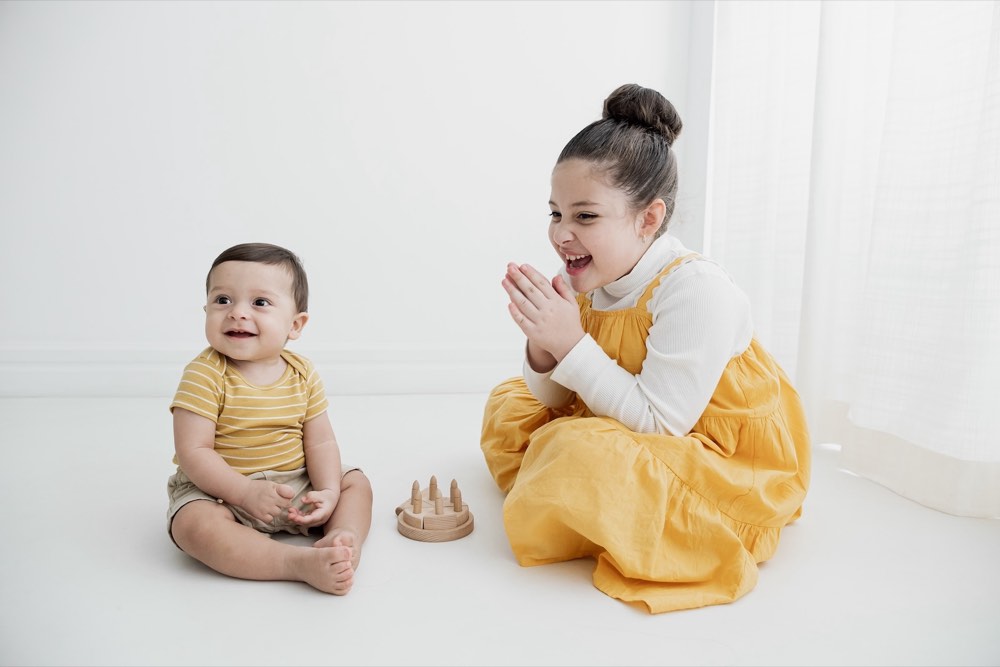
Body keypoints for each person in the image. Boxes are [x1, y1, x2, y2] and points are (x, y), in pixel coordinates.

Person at [480, 83, 811, 614]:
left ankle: (608, 503)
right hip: (634, 417)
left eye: (585, 217)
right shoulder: (593, 278)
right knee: (509, 405)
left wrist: (572, 345)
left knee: (576, 453)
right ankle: (587, 497)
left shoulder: (695, 289)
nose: (562, 234)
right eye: (555, 213)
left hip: (705, 445)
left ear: (649, 220)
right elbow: (554, 395)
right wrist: (544, 347)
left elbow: (661, 425)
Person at [166, 242, 373, 595]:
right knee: (192, 525)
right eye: (223, 300)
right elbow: (194, 451)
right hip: (222, 493)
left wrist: (326, 490)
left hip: (296, 485)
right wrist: (243, 491)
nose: (237, 313)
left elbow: (320, 440)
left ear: (295, 324)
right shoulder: (204, 374)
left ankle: (343, 537)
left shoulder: (302, 372)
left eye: (259, 303)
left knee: (356, 483)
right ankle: (291, 563)